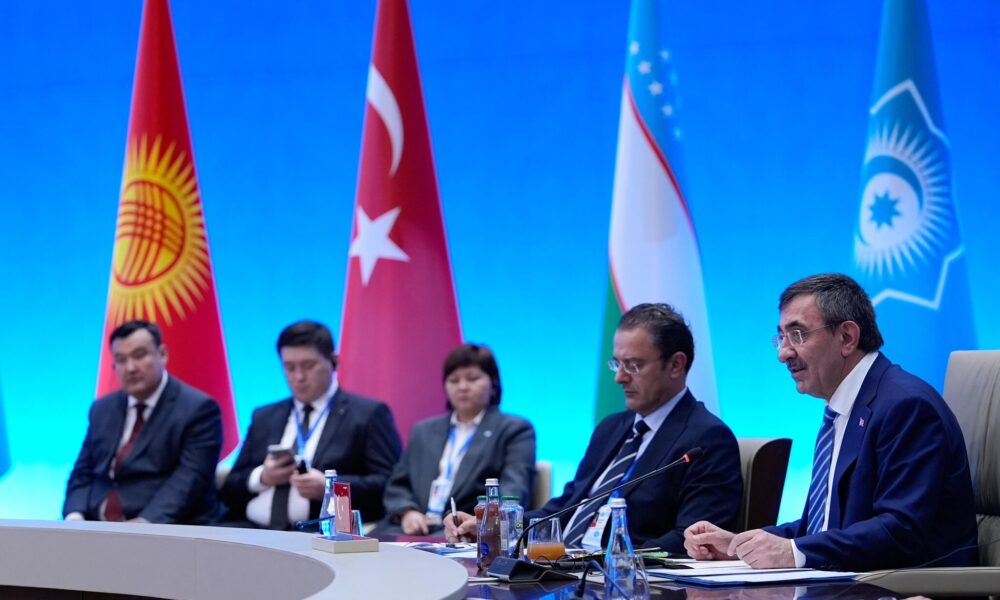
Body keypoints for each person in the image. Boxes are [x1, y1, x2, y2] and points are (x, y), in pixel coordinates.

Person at [684, 273, 978, 571]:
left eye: (797, 334)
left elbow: (901, 531)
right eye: (781, 337)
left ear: (847, 337)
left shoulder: (906, 406)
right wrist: (739, 546)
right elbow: (822, 527)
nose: (783, 353)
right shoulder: (841, 409)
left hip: (908, 587)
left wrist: (793, 551)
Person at [446, 303, 742, 554]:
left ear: (676, 365)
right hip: (561, 569)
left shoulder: (706, 439)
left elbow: (691, 541)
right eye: (617, 364)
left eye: (634, 366)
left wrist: (604, 561)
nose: (619, 378)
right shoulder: (612, 428)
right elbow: (566, 507)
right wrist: (494, 528)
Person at [220, 320, 401, 529]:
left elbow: (389, 485)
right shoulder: (264, 416)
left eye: (308, 366)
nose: (299, 377)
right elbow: (229, 488)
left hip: (321, 534)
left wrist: (331, 489)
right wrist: (262, 477)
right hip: (251, 529)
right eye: (289, 368)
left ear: (333, 361)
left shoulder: (367, 414)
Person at [63, 320, 224, 524]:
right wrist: (75, 516)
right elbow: (83, 471)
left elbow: (190, 480)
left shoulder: (198, 409)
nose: (130, 368)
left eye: (139, 355)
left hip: (166, 527)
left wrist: (144, 524)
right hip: (97, 526)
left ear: (162, 354)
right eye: (121, 360)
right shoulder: (102, 408)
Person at [378, 343, 536, 536]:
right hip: (412, 528)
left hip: (465, 531)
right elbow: (397, 485)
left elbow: (513, 492)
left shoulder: (514, 430)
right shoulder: (423, 430)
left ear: (493, 384)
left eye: (472, 378)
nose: (462, 387)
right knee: (361, 547)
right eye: (454, 380)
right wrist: (407, 511)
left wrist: (478, 522)